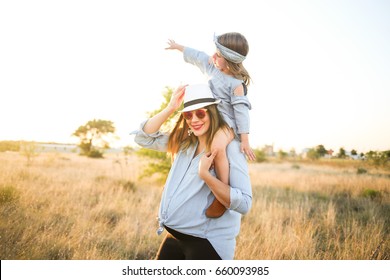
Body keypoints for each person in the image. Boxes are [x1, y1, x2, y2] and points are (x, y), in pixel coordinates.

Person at [131, 84, 252, 260]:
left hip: (206, 243)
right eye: (188, 115)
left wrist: (205, 175)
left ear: (212, 113)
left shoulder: (231, 149)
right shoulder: (185, 142)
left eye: (200, 113)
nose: (194, 119)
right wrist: (170, 108)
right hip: (175, 236)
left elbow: (245, 204)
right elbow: (143, 138)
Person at [166, 32, 256, 218]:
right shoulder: (212, 67)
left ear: (230, 61)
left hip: (227, 124)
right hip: (210, 118)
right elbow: (198, 56)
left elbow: (241, 112)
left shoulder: (236, 84)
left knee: (217, 147)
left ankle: (221, 195)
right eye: (215, 53)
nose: (213, 57)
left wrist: (245, 139)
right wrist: (178, 47)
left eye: (218, 56)